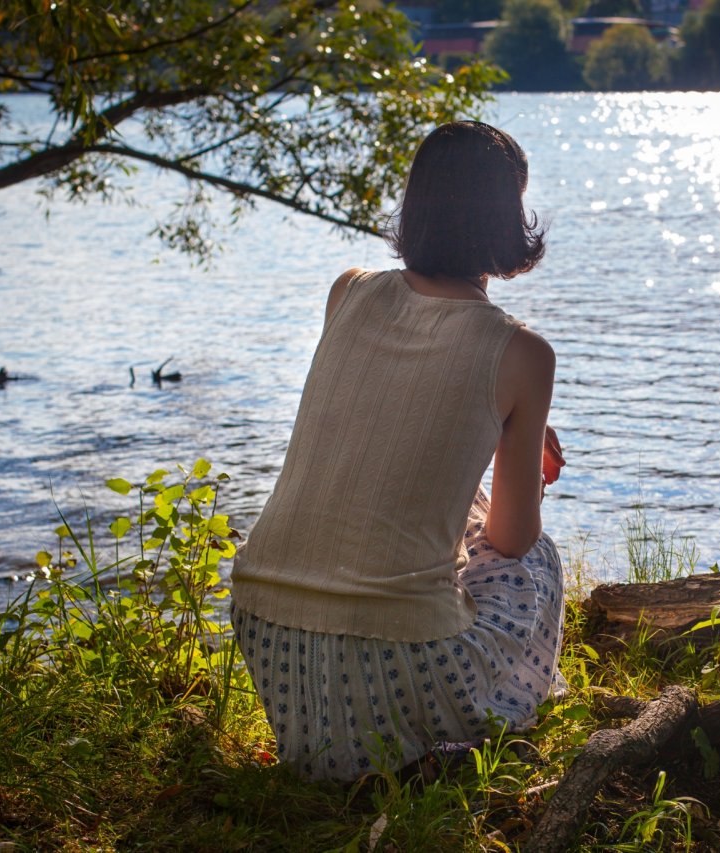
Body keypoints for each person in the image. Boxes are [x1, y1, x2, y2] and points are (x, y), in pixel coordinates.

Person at [230, 121, 565, 782]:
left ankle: (332, 747)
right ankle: (468, 725)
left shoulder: (349, 290)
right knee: (537, 560)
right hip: (393, 654)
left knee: (455, 518)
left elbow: (387, 424)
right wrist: (519, 450)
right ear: (506, 216)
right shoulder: (523, 352)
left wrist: (503, 432)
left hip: (266, 627)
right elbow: (512, 538)